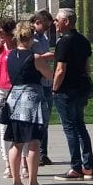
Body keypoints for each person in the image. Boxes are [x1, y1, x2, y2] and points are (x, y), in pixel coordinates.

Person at [4, 21, 54, 185]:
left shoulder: (10, 55)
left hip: (14, 101)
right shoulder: (35, 57)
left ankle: (16, 181)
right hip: (32, 101)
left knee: (16, 143)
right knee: (34, 143)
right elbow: (49, 75)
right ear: (31, 38)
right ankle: (33, 182)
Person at [52, 8, 93, 181]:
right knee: (80, 126)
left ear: (66, 22)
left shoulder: (64, 41)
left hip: (66, 90)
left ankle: (76, 167)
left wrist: (54, 88)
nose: (55, 23)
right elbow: (87, 67)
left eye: (57, 20)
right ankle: (88, 166)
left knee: (70, 127)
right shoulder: (83, 40)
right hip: (81, 88)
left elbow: (60, 69)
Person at [0, 18, 17, 179]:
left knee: (19, 126)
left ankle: (22, 162)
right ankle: (7, 162)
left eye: (1, 32)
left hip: (15, 89)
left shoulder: (18, 46)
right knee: (3, 127)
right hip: (0, 89)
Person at [30, 10, 55, 166]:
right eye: (46, 26)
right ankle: (36, 153)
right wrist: (46, 57)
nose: (47, 29)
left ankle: (43, 153)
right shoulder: (30, 38)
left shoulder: (44, 38)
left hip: (46, 82)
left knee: (45, 120)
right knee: (36, 120)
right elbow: (30, 59)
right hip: (37, 82)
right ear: (38, 22)